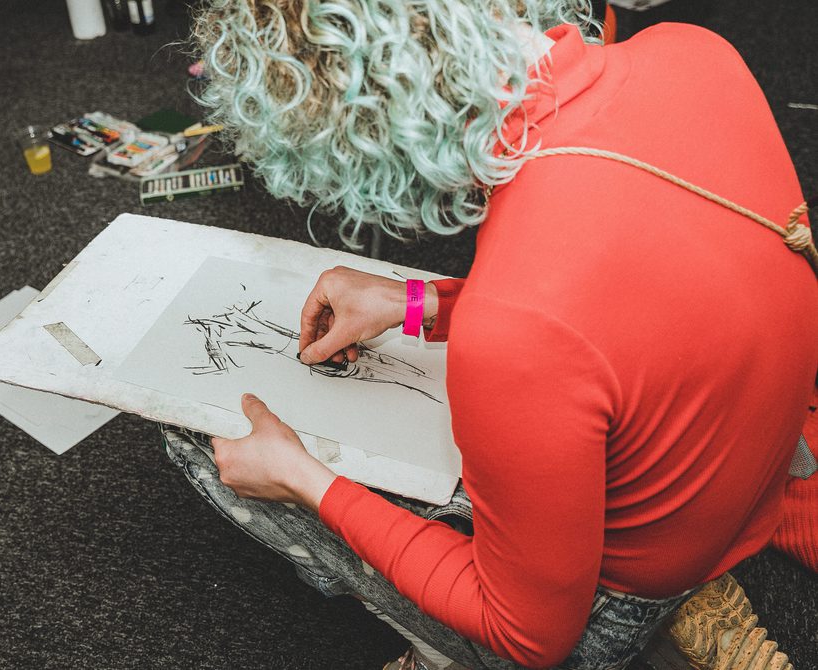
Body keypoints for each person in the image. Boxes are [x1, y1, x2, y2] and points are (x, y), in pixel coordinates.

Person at [164, 0, 818, 667]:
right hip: (734, 495)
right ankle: (690, 593)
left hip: (606, 606)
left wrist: (303, 479)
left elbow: (528, 638)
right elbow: (634, 296)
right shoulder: (693, 51)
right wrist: (416, 303)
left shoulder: (512, 334)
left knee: (196, 441)